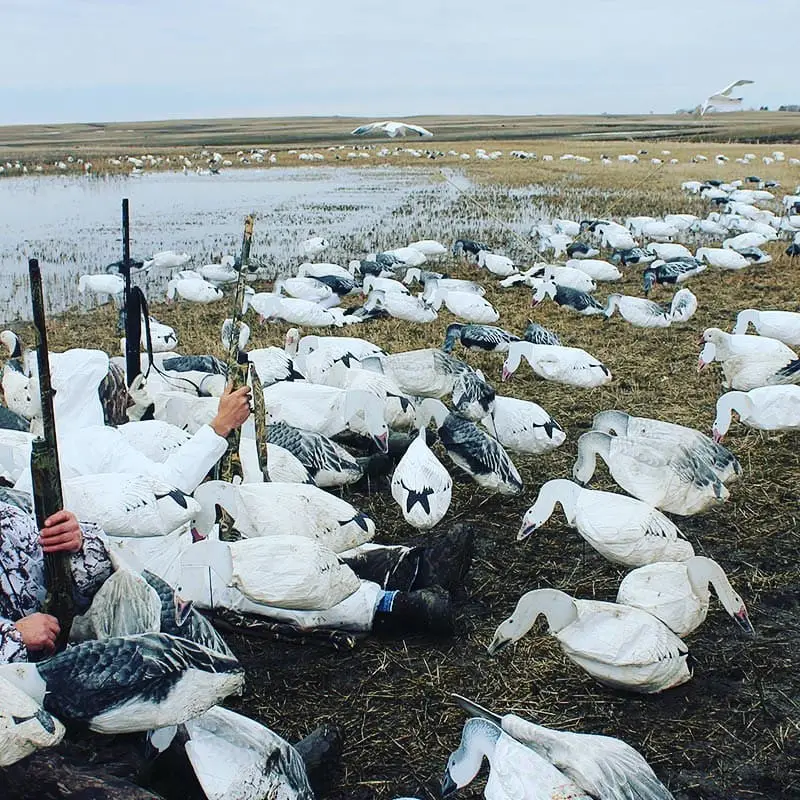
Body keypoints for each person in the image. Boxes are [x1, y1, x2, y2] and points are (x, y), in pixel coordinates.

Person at [0, 503, 111, 663]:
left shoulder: (11, 521)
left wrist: (78, 545)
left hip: (59, 660)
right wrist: (13, 637)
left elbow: (88, 589)